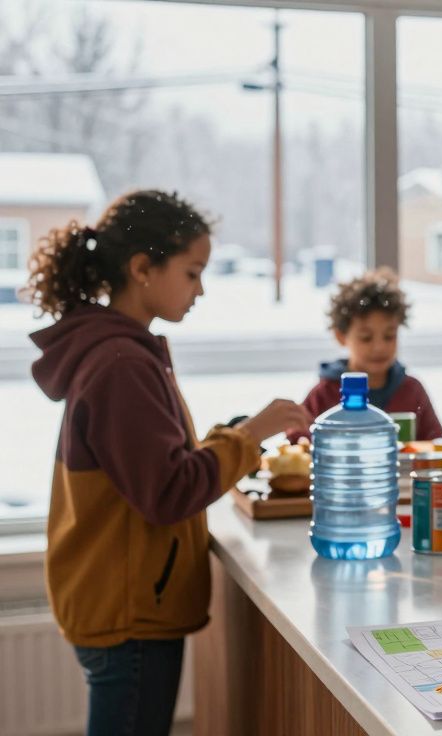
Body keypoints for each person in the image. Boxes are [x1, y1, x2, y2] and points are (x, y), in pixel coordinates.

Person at [25, 190, 312, 735]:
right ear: (142, 269)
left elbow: (153, 466)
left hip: (122, 600)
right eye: (192, 272)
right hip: (129, 611)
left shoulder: (120, 352)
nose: (200, 289)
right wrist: (250, 435)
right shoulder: (121, 365)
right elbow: (168, 492)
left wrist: (234, 438)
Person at [300, 269, 442, 440]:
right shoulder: (323, 395)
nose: (379, 347)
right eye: (366, 338)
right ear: (341, 336)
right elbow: (298, 443)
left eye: (389, 336)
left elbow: (436, 444)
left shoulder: (412, 391)